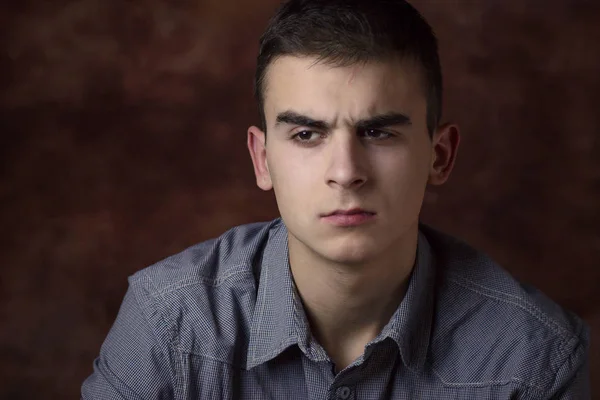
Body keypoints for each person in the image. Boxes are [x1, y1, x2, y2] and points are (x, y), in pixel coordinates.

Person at [81, 0, 590, 398]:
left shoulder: (533, 357)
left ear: (439, 156)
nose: (346, 173)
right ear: (263, 160)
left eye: (379, 133)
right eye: (307, 135)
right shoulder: (169, 321)